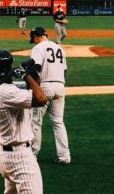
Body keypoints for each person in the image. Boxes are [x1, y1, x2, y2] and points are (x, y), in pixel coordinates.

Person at [0, 49, 48, 194]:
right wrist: (25, 74)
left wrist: (32, 75)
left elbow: (32, 88)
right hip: (20, 159)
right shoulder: (8, 93)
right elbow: (41, 99)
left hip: (5, 156)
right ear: (8, 67)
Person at [27, 27, 71, 165]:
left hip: (45, 86)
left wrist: (34, 88)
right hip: (60, 87)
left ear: (36, 37)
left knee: (35, 121)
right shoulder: (59, 48)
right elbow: (64, 71)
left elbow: (36, 70)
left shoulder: (38, 48)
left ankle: (33, 155)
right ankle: (64, 156)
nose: (33, 42)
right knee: (58, 122)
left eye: (33, 39)